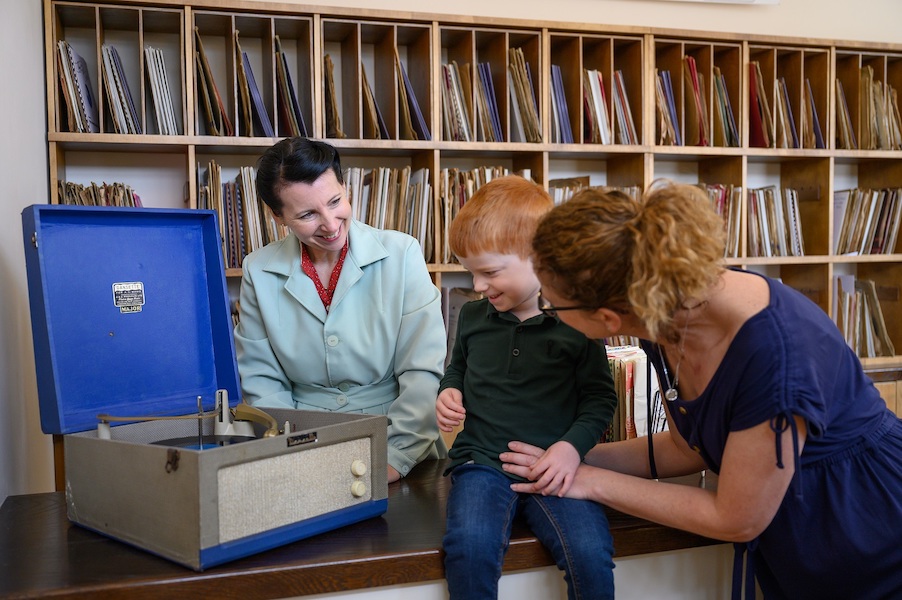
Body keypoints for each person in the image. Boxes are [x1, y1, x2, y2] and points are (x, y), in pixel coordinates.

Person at [500, 181, 902, 600]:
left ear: (606, 319)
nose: (546, 311)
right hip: (804, 548)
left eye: (551, 304)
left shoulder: (776, 356)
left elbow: (737, 518)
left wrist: (589, 480)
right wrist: (571, 454)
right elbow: (686, 447)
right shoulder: (661, 309)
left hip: (873, 545)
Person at [436, 175, 618, 600]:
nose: (478, 286)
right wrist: (449, 392)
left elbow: (599, 397)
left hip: (554, 468)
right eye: (471, 272)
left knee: (591, 553)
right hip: (481, 462)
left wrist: (570, 450)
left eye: (490, 272)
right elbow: (457, 369)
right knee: (468, 546)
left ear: (538, 259)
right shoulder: (474, 317)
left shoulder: (578, 323)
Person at [233, 137, 447, 482]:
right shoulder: (257, 269)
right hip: (301, 442)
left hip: (403, 444)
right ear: (277, 215)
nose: (331, 225)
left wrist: (396, 456)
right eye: (307, 214)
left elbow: (422, 371)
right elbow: (262, 378)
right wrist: (296, 449)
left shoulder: (403, 252)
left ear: (346, 187)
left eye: (336, 201)